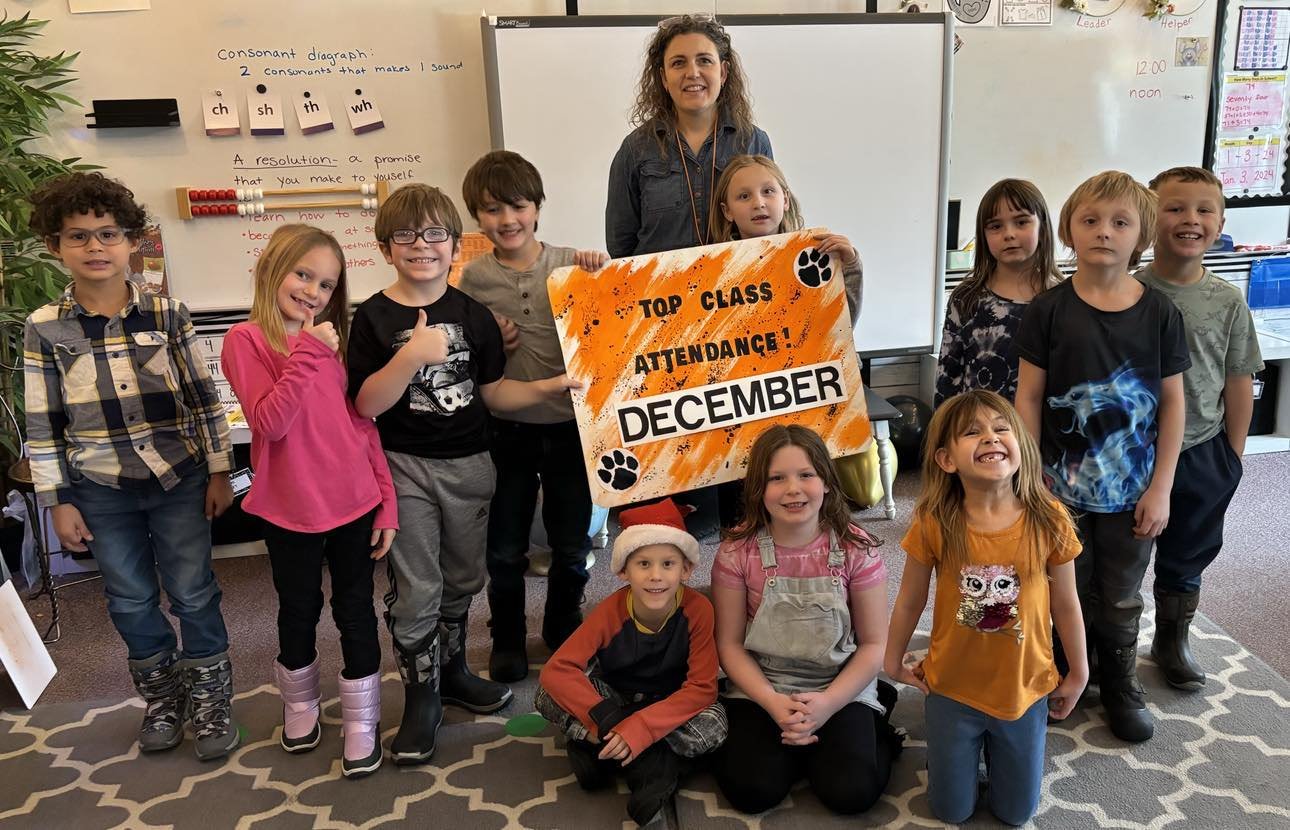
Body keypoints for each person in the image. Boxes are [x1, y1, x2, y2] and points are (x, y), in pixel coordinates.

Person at [347, 183, 578, 764]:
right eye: (405, 235)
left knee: (462, 579)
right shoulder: (371, 318)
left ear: (455, 246)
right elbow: (366, 406)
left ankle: (450, 672)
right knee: (417, 588)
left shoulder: (474, 315)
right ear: (384, 246)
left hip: (473, 467)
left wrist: (550, 387)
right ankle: (422, 698)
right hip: (405, 472)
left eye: (434, 234)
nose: (421, 245)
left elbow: (494, 394)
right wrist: (410, 355)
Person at [23, 172, 238, 759]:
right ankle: (163, 697)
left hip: (179, 477)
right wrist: (57, 499)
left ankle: (211, 697)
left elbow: (204, 397)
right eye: (78, 236)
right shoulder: (44, 328)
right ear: (54, 246)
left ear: (132, 241)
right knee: (130, 598)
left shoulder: (168, 314)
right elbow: (43, 422)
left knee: (193, 591)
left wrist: (219, 470)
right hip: (99, 487)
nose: (95, 247)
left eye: (108, 233)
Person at [1014, 170, 1189, 743]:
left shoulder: (1160, 313)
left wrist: (1161, 487)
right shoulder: (1048, 310)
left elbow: (1172, 405)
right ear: (1068, 229)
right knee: (1061, 586)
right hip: (1058, 489)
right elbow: (1030, 398)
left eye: (1119, 223)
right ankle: (1065, 673)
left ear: (1141, 235)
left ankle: (1118, 681)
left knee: (1118, 593)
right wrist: (1029, 480)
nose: (1104, 233)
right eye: (1090, 220)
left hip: (1134, 492)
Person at [221, 224, 398, 778]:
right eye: (303, 275)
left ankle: (362, 720)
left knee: (355, 610)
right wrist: (306, 351)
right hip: (289, 507)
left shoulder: (328, 342)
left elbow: (359, 427)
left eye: (326, 284)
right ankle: (298, 705)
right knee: (298, 608)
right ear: (272, 270)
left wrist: (386, 501)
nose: (313, 292)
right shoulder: (245, 340)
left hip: (353, 499)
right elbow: (268, 422)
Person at [885, 390, 1086, 826]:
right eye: (972, 432)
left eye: (1001, 428)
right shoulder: (935, 520)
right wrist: (891, 657)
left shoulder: (1049, 518)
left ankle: (1000, 753)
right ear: (946, 460)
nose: (990, 437)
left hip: (1024, 688)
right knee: (950, 811)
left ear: (1020, 445)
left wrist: (1079, 670)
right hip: (952, 688)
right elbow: (909, 599)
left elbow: (1067, 604)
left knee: (1016, 814)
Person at [458, 150, 608, 683]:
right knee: (504, 546)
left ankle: (564, 625)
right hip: (507, 431)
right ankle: (506, 635)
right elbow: (464, 356)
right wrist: (488, 338)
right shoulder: (471, 279)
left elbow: (613, 320)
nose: (507, 220)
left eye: (517, 206)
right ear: (478, 217)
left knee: (571, 543)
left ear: (537, 207)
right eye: (492, 210)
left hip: (572, 428)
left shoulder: (571, 262)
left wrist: (598, 270)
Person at [710, 425, 899, 815]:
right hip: (762, 686)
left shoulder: (856, 549)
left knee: (851, 793)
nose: (792, 489)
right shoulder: (735, 552)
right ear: (758, 489)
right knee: (752, 791)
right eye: (776, 478)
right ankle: (800, 746)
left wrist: (828, 705)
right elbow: (728, 645)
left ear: (828, 482)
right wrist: (773, 703)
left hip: (839, 685)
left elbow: (873, 644)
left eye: (806, 475)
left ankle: (877, 721)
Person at [1137, 166, 1263, 690]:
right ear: (1150, 217)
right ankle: (1104, 644)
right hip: (1132, 449)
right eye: (1175, 208)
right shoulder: (1129, 290)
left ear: (1221, 222)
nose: (1191, 219)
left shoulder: (1228, 300)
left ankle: (1172, 637)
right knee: (1118, 553)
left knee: (1190, 547)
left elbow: (1238, 379)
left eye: (1204, 210)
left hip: (1203, 449)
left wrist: (1231, 457)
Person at [536, 498, 726, 827]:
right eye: (643, 564)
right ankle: (650, 760)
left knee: (715, 724)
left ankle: (603, 752)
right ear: (624, 570)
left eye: (668, 564)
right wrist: (609, 720)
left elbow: (702, 689)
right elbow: (558, 670)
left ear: (687, 569)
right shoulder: (611, 610)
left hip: (671, 703)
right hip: (616, 701)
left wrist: (641, 727)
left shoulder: (698, 610)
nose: (655, 576)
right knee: (545, 695)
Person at [606, 14, 772, 258]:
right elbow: (620, 246)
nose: (692, 73)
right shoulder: (636, 148)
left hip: (734, 290)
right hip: (661, 293)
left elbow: (772, 232)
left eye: (704, 60)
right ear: (663, 77)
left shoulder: (753, 141)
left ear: (724, 72)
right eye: (678, 63)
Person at [935, 179, 1063, 406]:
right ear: (983, 235)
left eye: (1021, 222)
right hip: (980, 432)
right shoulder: (967, 299)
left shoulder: (1063, 299)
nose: (1009, 234)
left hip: (1042, 436)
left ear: (1042, 227)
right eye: (995, 226)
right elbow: (947, 379)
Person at [708, 154, 864, 326]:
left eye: (768, 191)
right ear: (727, 211)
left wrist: (850, 265)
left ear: (785, 199)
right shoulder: (713, 271)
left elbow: (841, 330)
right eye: (744, 196)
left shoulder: (819, 252)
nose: (758, 203)